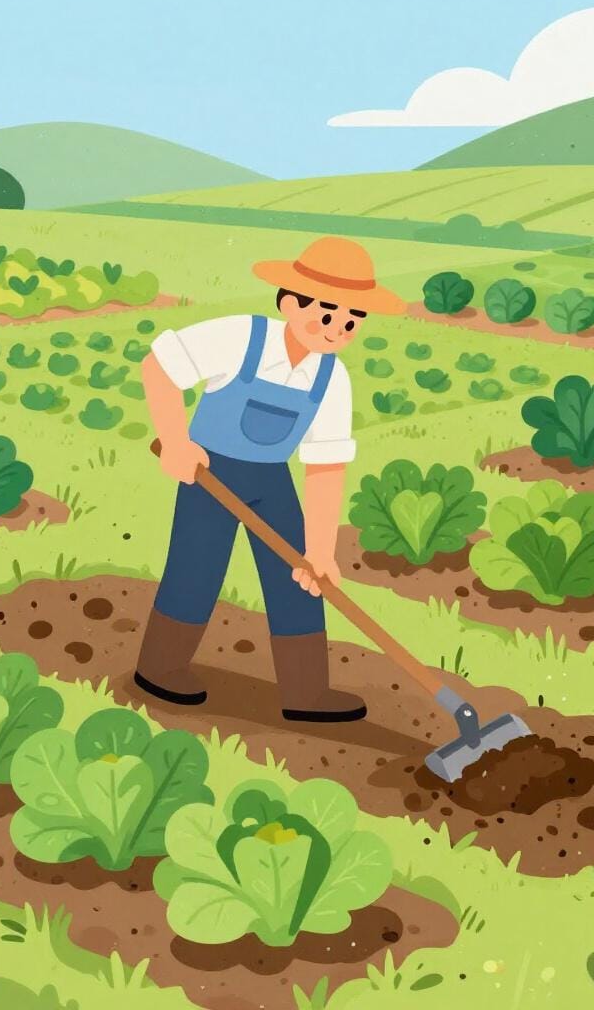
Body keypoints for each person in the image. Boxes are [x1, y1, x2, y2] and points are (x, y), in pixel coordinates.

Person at [135, 235, 406, 722]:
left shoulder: (332, 379)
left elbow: (325, 466)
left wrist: (321, 550)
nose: (336, 329)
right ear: (288, 302)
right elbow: (158, 367)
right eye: (327, 315)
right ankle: (160, 668)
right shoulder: (241, 338)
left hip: (271, 481)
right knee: (196, 568)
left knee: (300, 577)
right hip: (210, 471)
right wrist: (176, 441)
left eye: (350, 321)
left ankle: (306, 691)